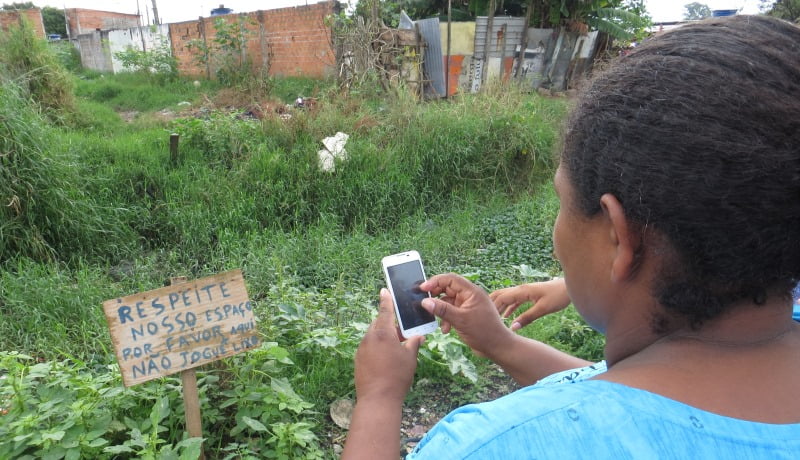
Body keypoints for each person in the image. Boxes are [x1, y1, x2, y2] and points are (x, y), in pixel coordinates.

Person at [342, 15, 800, 459]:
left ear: (620, 238)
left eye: (561, 201)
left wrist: (379, 398)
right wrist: (504, 344)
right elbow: (648, 407)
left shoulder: (490, 447)